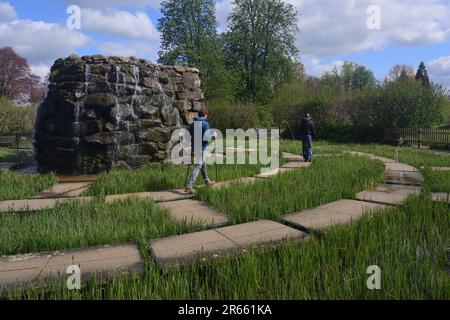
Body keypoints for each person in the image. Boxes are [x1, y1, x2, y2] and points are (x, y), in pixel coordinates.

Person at [185, 108, 216, 194]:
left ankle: (207, 182)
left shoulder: (192, 125)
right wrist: (214, 136)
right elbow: (207, 137)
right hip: (202, 148)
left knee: (203, 164)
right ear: (205, 115)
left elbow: (188, 135)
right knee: (198, 166)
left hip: (195, 147)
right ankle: (189, 186)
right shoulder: (205, 124)